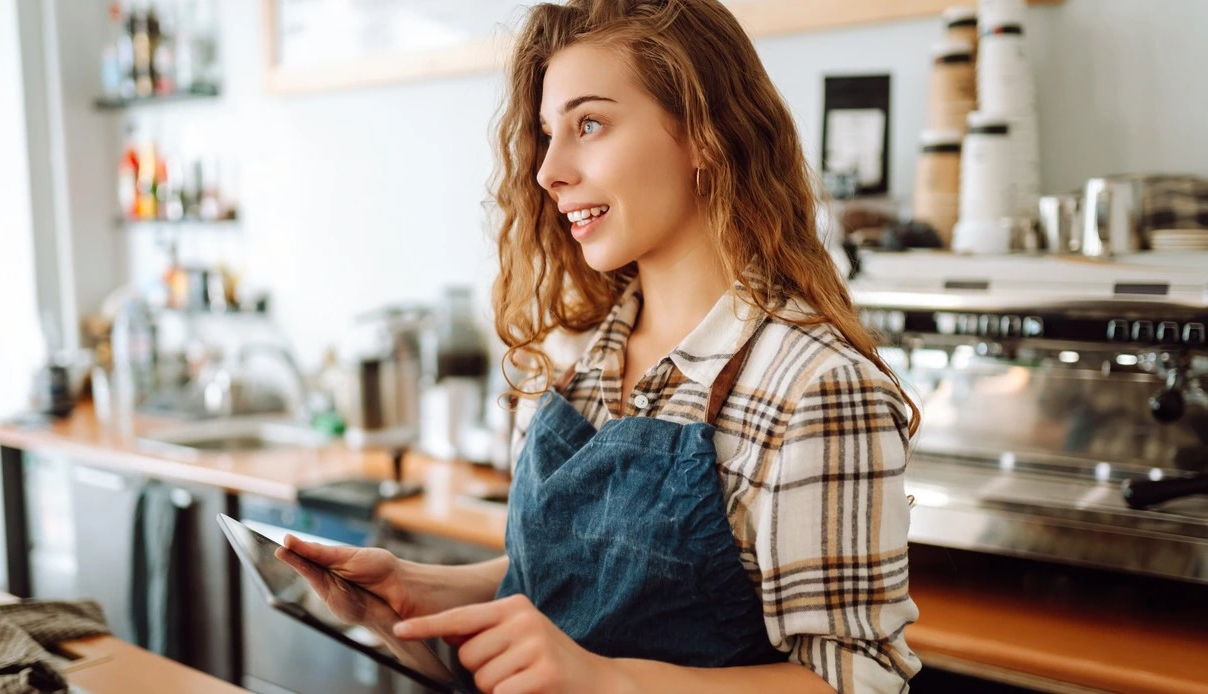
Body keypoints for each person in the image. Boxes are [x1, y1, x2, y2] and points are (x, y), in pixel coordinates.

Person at [285, 1, 920, 691]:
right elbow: (591, 578)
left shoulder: (813, 388)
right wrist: (428, 589)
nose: (548, 171)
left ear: (704, 132)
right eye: (547, 134)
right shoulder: (577, 356)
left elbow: (859, 680)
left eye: (589, 124)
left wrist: (608, 682)